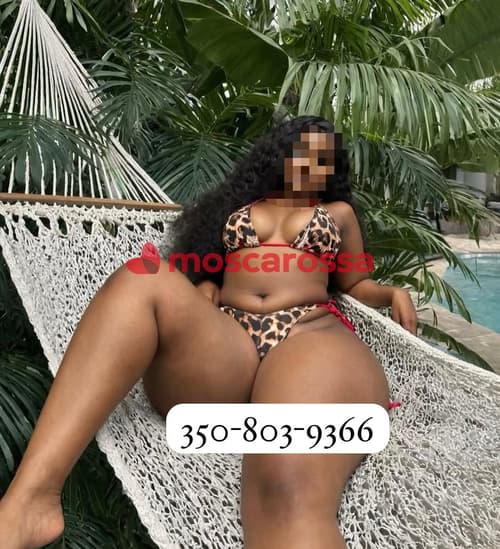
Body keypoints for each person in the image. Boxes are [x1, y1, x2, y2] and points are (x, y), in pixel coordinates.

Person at [0, 115, 417, 549]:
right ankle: (31, 500)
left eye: (323, 161)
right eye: (302, 155)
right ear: (281, 157)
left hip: (306, 334)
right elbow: (208, 264)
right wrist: (205, 287)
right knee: (142, 276)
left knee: (284, 487)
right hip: (229, 348)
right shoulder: (240, 208)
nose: (311, 167)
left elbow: (353, 281)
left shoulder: (338, 214)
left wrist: (390, 293)